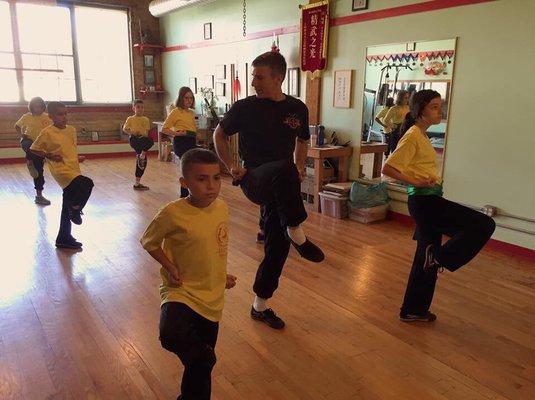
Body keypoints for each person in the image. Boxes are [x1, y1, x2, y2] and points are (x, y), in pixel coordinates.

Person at [213, 51, 324, 330]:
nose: (254, 82)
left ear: (279, 78)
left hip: (282, 186)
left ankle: (259, 306)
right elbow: (219, 134)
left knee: (277, 248)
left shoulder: (298, 108)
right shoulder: (244, 107)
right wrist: (230, 165)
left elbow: (302, 141)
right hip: (254, 179)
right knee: (284, 170)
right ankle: (298, 232)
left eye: (259, 77)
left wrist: (300, 166)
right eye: (253, 76)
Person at [382, 90, 495, 322]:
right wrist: (415, 181)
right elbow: (388, 168)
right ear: (420, 110)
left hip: (428, 199)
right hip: (426, 202)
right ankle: (441, 257)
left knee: (424, 256)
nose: (439, 111)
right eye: (434, 106)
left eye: (439, 106)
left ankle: (414, 310)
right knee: (484, 224)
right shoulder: (413, 135)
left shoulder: (421, 135)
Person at [140, 148, 236, 400]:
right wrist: (170, 266)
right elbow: (148, 241)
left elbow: (217, 248)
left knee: (199, 368)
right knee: (173, 335)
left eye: (216, 178)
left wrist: (221, 276)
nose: (211, 186)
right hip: (180, 291)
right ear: (185, 182)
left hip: (212, 298)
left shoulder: (222, 209)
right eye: (201, 179)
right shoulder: (172, 213)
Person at [30, 102, 94, 249]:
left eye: (66, 113)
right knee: (87, 183)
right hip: (60, 170)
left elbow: (68, 148)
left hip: (73, 167)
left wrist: (77, 158)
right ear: (51, 116)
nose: (64, 117)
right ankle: (76, 209)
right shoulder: (47, 132)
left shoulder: (71, 130)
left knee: (67, 202)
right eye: (60, 114)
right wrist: (48, 155)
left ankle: (63, 238)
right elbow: (34, 149)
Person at [14, 96, 52, 205]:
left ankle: (39, 196)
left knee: (38, 171)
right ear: (31, 107)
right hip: (27, 141)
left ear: (43, 107)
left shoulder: (47, 117)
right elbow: (17, 126)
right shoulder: (26, 116)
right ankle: (29, 160)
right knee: (29, 146)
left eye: (40, 107)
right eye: (35, 107)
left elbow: (52, 130)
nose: (37, 109)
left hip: (40, 147)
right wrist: (22, 134)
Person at [163, 87, 198, 198]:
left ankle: (190, 192)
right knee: (187, 168)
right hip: (181, 142)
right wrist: (178, 133)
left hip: (191, 141)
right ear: (181, 98)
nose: (189, 100)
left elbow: (193, 129)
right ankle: (184, 195)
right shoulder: (175, 112)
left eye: (191, 98)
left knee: (192, 168)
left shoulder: (191, 113)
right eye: (186, 98)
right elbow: (164, 129)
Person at [123, 99, 154, 190]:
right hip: (134, 139)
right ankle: (142, 155)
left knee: (142, 162)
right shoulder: (130, 118)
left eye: (142, 107)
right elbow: (125, 129)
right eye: (138, 107)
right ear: (134, 108)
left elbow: (147, 133)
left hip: (143, 140)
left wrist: (142, 135)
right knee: (141, 160)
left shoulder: (146, 119)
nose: (140, 109)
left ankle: (137, 183)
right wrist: (133, 132)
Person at [383, 90, 410, 155]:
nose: (407, 99)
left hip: (406, 131)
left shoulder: (408, 108)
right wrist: (393, 126)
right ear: (400, 98)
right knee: (395, 151)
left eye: (408, 98)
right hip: (396, 131)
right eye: (405, 98)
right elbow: (385, 120)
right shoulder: (394, 108)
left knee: (404, 151)